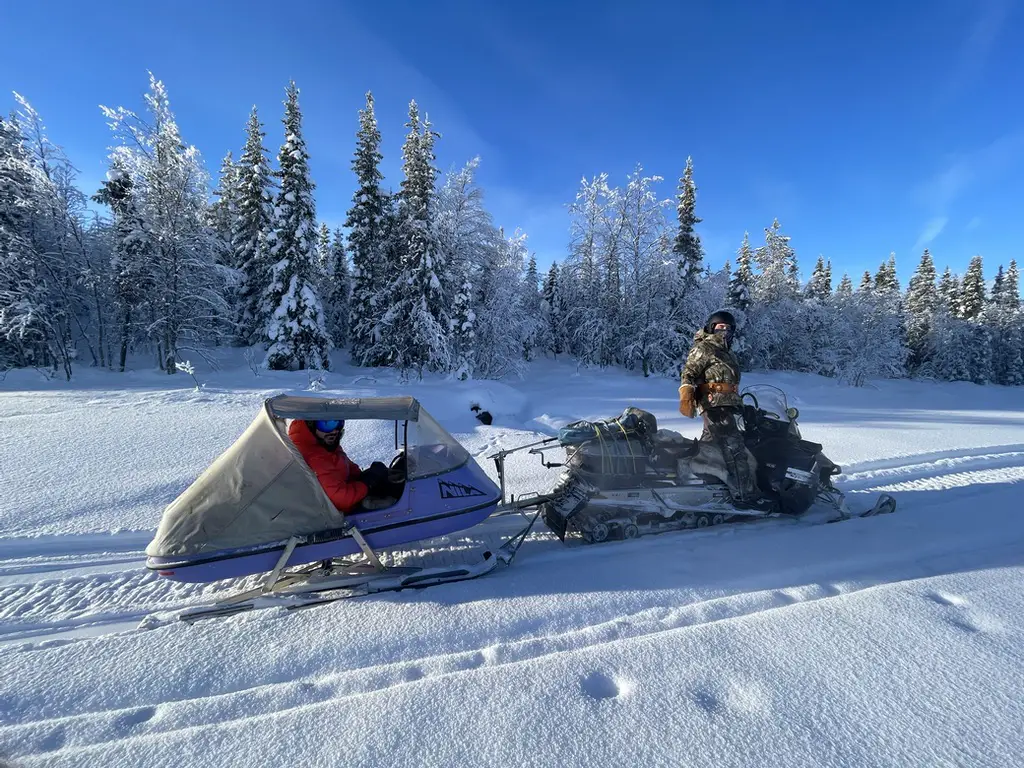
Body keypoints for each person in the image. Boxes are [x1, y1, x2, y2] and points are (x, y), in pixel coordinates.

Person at [677, 310, 764, 509]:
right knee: (734, 449)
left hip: (728, 405)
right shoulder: (704, 347)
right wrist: (686, 395)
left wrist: (740, 405)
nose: (724, 331)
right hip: (714, 405)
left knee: (710, 447)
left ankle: (700, 482)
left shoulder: (726, 351)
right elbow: (689, 372)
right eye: (720, 327)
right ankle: (744, 495)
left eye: (728, 328)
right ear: (711, 327)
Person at [287, 418, 392, 514]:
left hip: (345, 500)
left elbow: (349, 469)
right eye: (327, 424)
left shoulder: (324, 444)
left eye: (339, 422)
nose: (334, 430)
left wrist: (370, 477)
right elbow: (340, 499)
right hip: (335, 516)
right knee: (392, 506)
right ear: (310, 424)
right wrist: (367, 483)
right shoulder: (313, 456)